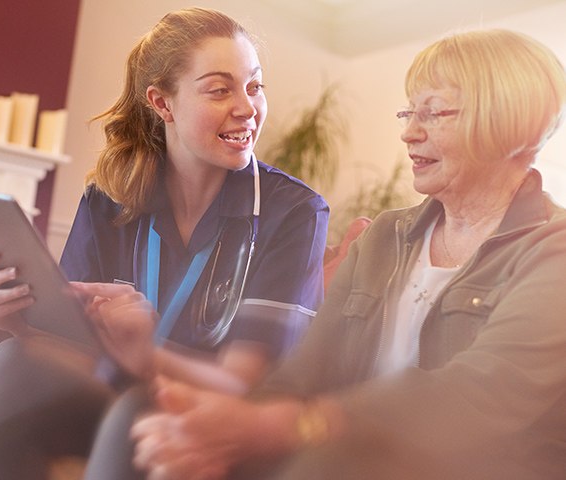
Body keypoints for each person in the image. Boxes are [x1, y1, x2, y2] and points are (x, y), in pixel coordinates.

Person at [126, 29, 566, 480]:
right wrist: (216, 424)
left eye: (432, 114)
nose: (409, 133)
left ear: (507, 122)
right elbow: (302, 376)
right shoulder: (385, 236)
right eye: (409, 112)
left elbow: (477, 395)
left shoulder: (553, 251)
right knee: (138, 418)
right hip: (339, 451)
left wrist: (281, 426)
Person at [0, 7, 329, 480]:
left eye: (254, 85)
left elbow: (244, 385)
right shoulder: (109, 200)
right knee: (13, 361)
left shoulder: (294, 213)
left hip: (205, 412)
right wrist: (15, 320)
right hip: (103, 396)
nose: (247, 106)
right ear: (163, 103)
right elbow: (73, 344)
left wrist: (147, 353)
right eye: (220, 89)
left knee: (138, 412)